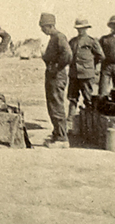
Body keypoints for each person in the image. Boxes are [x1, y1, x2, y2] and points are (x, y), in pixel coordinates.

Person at [39, 13, 72, 148]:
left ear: (51, 26)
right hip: (52, 75)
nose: (42, 30)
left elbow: (68, 55)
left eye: (44, 27)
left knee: (57, 105)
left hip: (57, 76)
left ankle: (62, 139)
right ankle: (57, 133)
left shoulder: (59, 37)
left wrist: (57, 67)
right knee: (52, 104)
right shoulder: (53, 38)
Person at [67, 18, 104, 126]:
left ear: (86, 29)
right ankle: (70, 120)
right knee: (72, 98)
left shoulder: (91, 41)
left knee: (88, 99)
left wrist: (92, 66)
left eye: (82, 28)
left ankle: (89, 122)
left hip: (86, 74)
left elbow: (100, 56)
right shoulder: (72, 41)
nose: (80, 30)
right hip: (74, 74)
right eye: (78, 28)